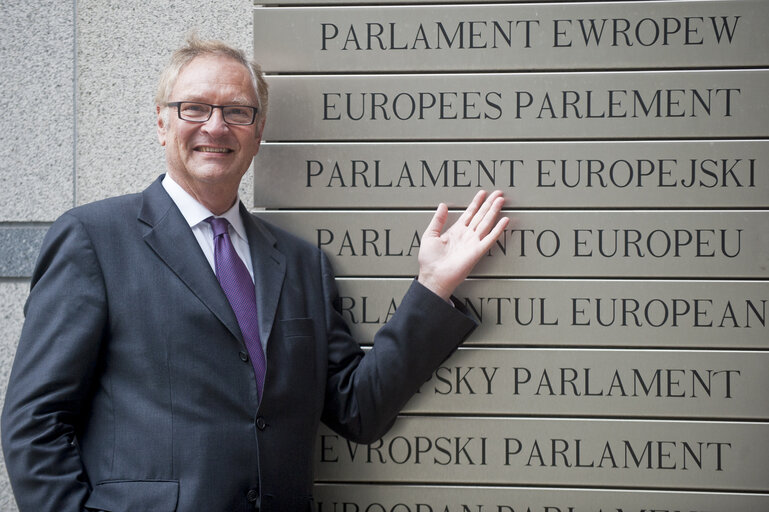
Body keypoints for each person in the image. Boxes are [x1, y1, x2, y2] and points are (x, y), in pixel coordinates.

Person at [1, 35, 508, 512]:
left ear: (258, 131)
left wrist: (432, 285)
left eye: (237, 112)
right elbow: (34, 424)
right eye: (194, 108)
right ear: (161, 122)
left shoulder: (300, 263)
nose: (215, 126)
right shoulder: (94, 238)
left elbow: (359, 409)